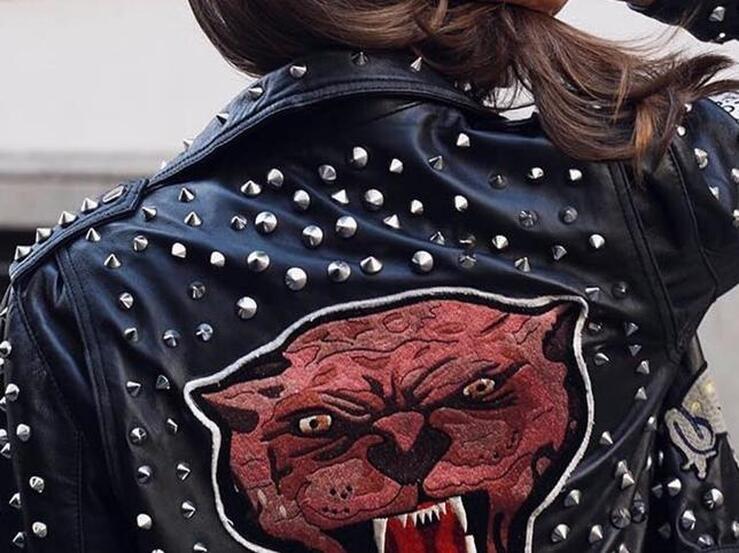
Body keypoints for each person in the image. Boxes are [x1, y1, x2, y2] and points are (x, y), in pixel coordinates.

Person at [1, 0, 738, 552]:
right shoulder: (632, 189)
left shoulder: (83, 284)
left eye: (479, 390)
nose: (408, 444)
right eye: (318, 425)